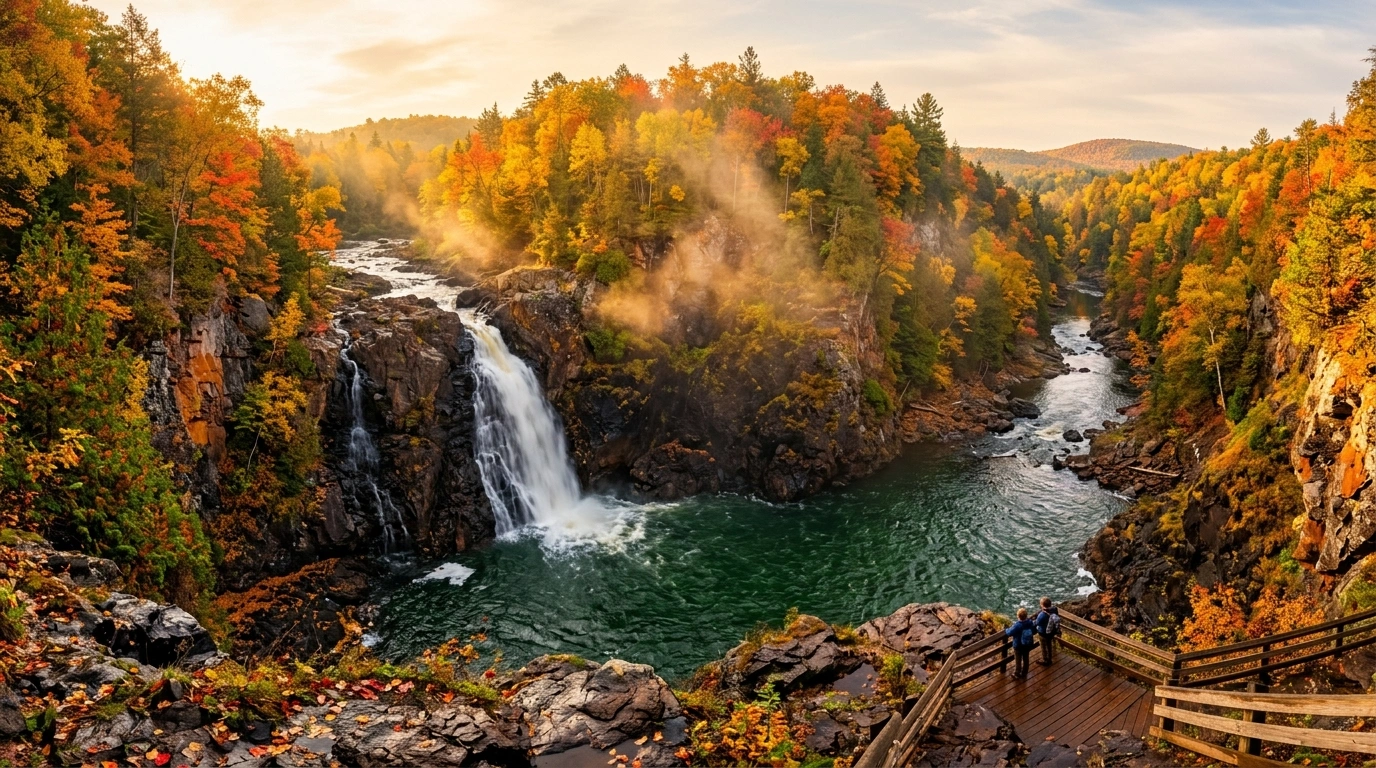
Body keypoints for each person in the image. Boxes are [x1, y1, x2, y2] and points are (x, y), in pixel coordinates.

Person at [1005, 607, 1037, 679]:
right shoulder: (1030, 622)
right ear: (1026, 615)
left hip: (1018, 645)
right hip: (1027, 644)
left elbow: (1009, 633)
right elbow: (1033, 630)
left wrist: (1006, 629)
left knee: (1018, 660)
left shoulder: (1017, 625)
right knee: (1026, 658)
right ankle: (1024, 672)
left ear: (1018, 616)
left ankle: (1017, 673)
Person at [1035, 597, 1061, 665]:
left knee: (1043, 647)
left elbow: (1037, 623)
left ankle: (1045, 660)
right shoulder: (1054, 610)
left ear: (1042, 605)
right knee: (1049, 645)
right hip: (1051, 632)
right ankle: (1050, 658)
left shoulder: (1042, 615)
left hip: (1043, 633)